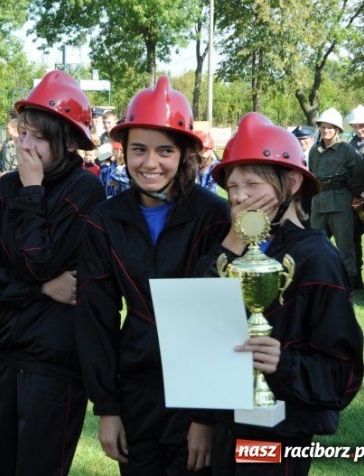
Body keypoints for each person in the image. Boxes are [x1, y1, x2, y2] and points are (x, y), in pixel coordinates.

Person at [195, 112, 364, 476]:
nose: (239, 197)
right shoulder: (228, 245)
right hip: (222, 430)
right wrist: (235, 241)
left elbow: (344, 373)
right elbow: (198, 327)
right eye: (232, 186)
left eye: (252, 184)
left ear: (290, 183)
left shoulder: (317, 258)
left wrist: (283, 364)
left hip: (279, 439)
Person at [76, 75, 230, 475]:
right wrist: (107, 408)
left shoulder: (215, 216)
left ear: (184, 154)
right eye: (139, 149)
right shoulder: (105, 220)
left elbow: (220, 320)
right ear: (123, 150)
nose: (150, 163)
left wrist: (205, 417)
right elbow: (96, 316)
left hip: (198, 392)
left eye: (165, 150)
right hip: (136, 387)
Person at [0, 70, 105, 475]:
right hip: (6, 352)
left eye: (38, 136)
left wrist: (32, 191)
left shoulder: (85, 191)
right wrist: (39, 290)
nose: (25, 144)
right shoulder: (0, 191)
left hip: (54, 363)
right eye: (23, 132)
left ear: (67, 141)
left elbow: (39, 262)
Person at [308, 108, 364, 290]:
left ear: (337, 130)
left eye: (330, 128)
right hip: (318, 202)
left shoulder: (347, 150)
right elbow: (312, 174)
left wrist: (353, 196)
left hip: (340, 202)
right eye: (323, 127)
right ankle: (318, 280)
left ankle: (348, 281)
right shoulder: (314, 151)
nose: (325, 131)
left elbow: (359, 177)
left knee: (345, 245)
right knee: (316, 244)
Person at [347, 105, 364, 288]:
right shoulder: (349, 144)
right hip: (352, 201)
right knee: (353, 240)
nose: (359, 130)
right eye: (355, 126)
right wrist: (353, 198)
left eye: (362, 126)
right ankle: (356, 279)